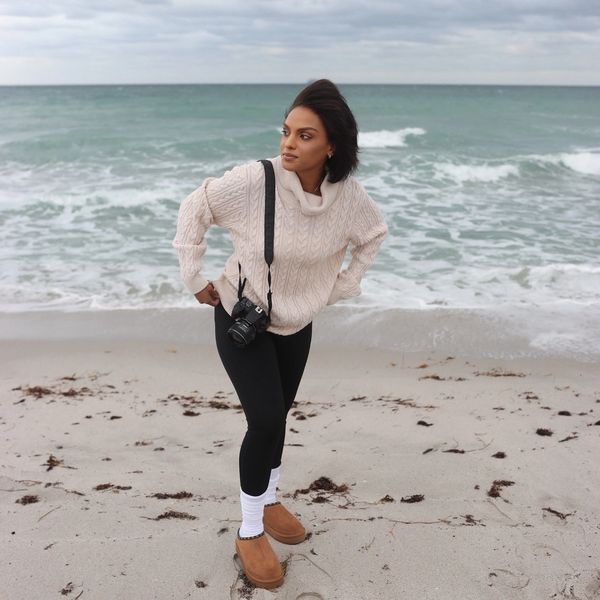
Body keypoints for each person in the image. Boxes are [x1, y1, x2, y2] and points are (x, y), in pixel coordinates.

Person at [172, 79, 388, 589]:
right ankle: (249, 531)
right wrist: (193, 277)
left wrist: (341, 286)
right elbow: (194, 207)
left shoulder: (347, 197)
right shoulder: (257, 180)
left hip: (298, 321)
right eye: (287, 131)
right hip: (241, 318)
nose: (289, 143)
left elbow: (373, 234)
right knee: (266, 418)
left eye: (305, 136)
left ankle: (268, 501)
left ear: (331, 146)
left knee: (279, 415)